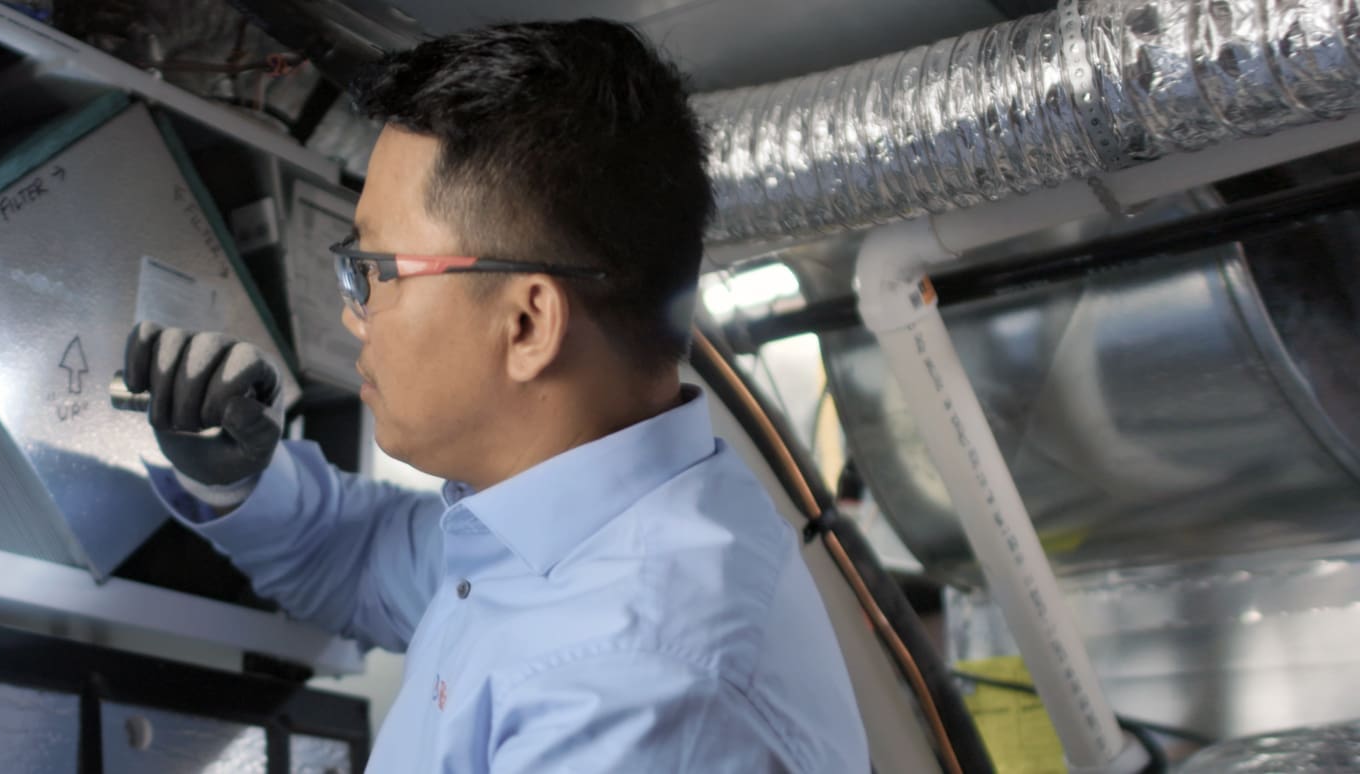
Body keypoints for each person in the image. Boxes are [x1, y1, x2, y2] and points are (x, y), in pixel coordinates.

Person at [122, 19, 868, 772]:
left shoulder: (635, 688)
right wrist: (238, 476)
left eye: (375, 269)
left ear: (526, 322)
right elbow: (361, 561)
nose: (354, 311)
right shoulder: (563, 528)